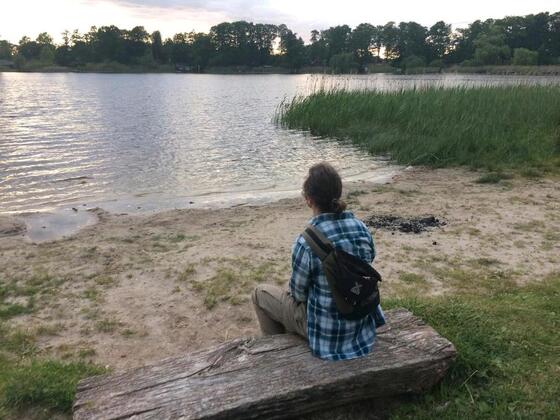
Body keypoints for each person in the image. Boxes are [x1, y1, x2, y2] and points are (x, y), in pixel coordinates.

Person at [252, 162, 385, 361]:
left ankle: (277, 354)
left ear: (308, 200)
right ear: (338, 193)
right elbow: (368, 259)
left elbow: (298, 294)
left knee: (260, 294)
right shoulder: (361, 228)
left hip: (327, 337)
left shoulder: (305, 242)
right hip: (361, 327)